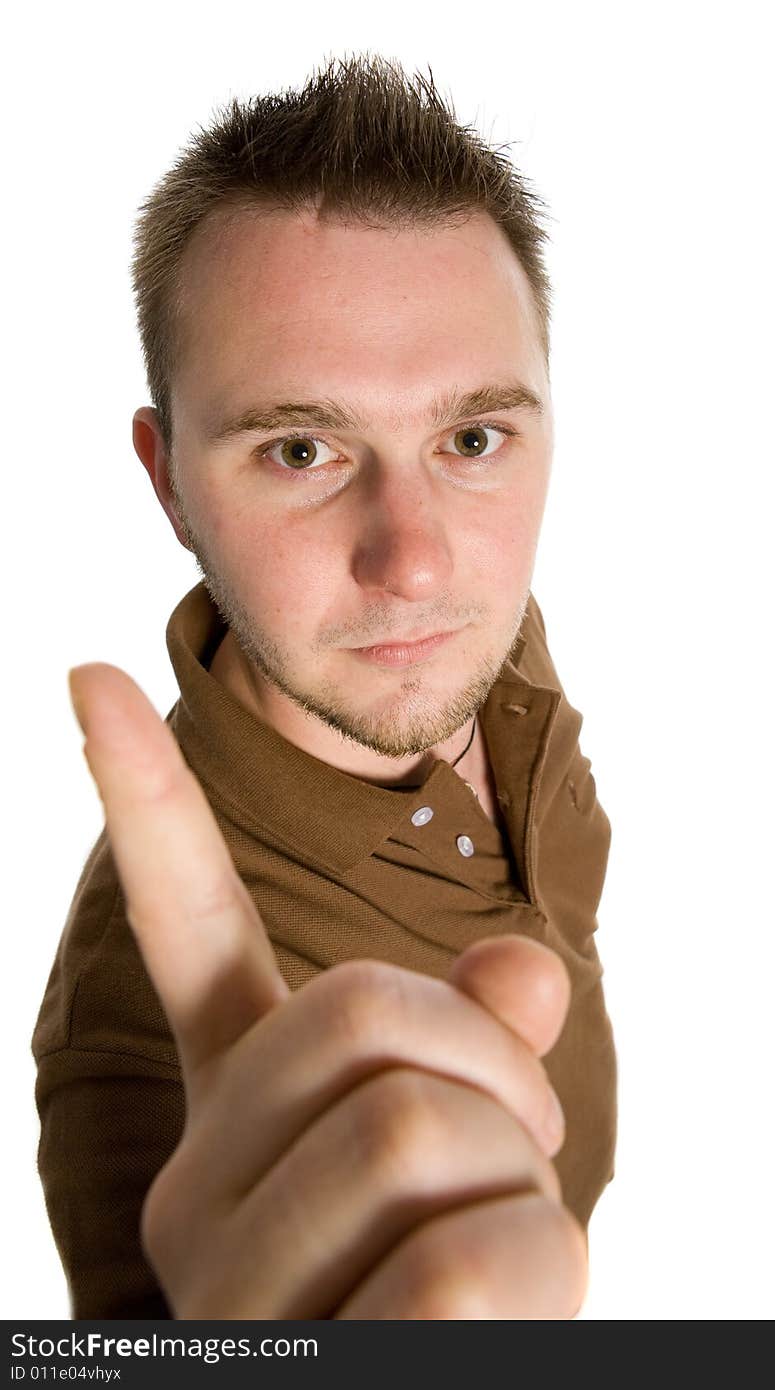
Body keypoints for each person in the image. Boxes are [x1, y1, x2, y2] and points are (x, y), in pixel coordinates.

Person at [31, 52, 617, 1320]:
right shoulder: (150, 1045)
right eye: (302, 449)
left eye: (470, 439)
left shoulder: (484, 639)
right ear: (168, 478)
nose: (413, 562)